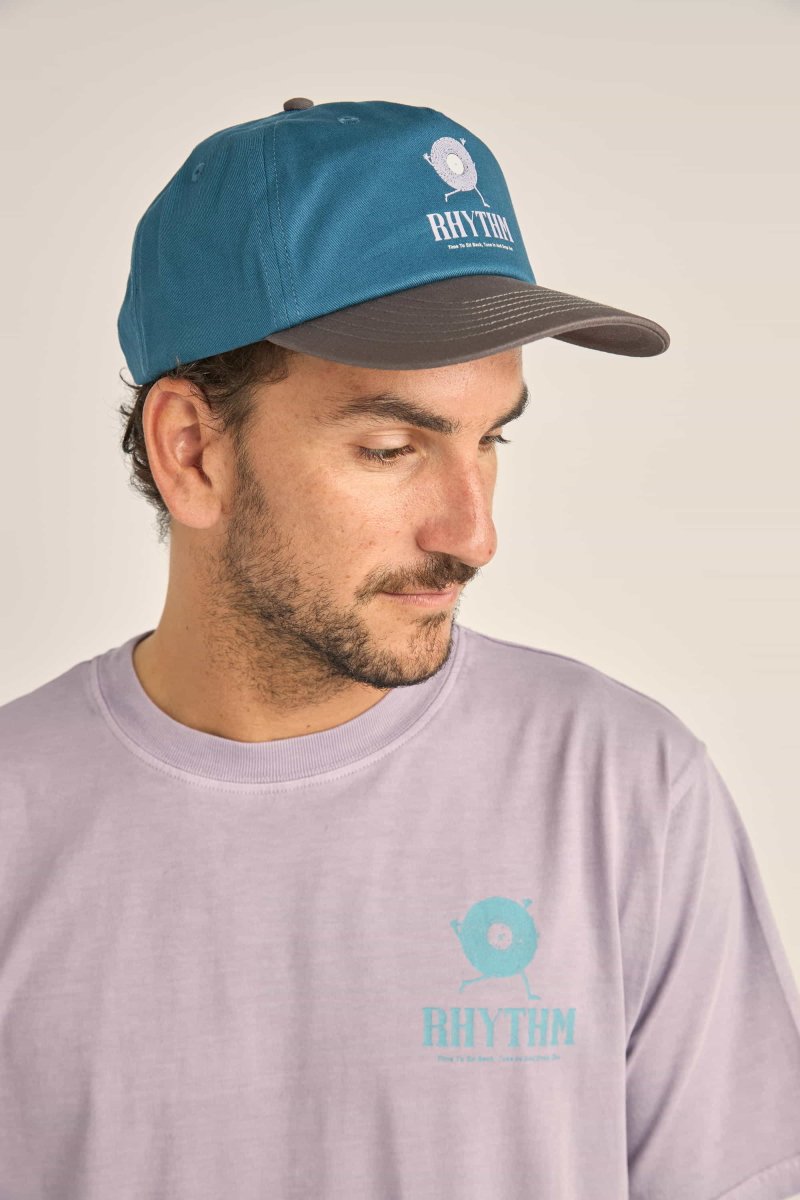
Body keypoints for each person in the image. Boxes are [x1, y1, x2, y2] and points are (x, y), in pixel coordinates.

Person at [1, 98, 799, 1200]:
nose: (473, 534)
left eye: (490, 439)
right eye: (389, 447)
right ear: (191, 451)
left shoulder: (624, 788)